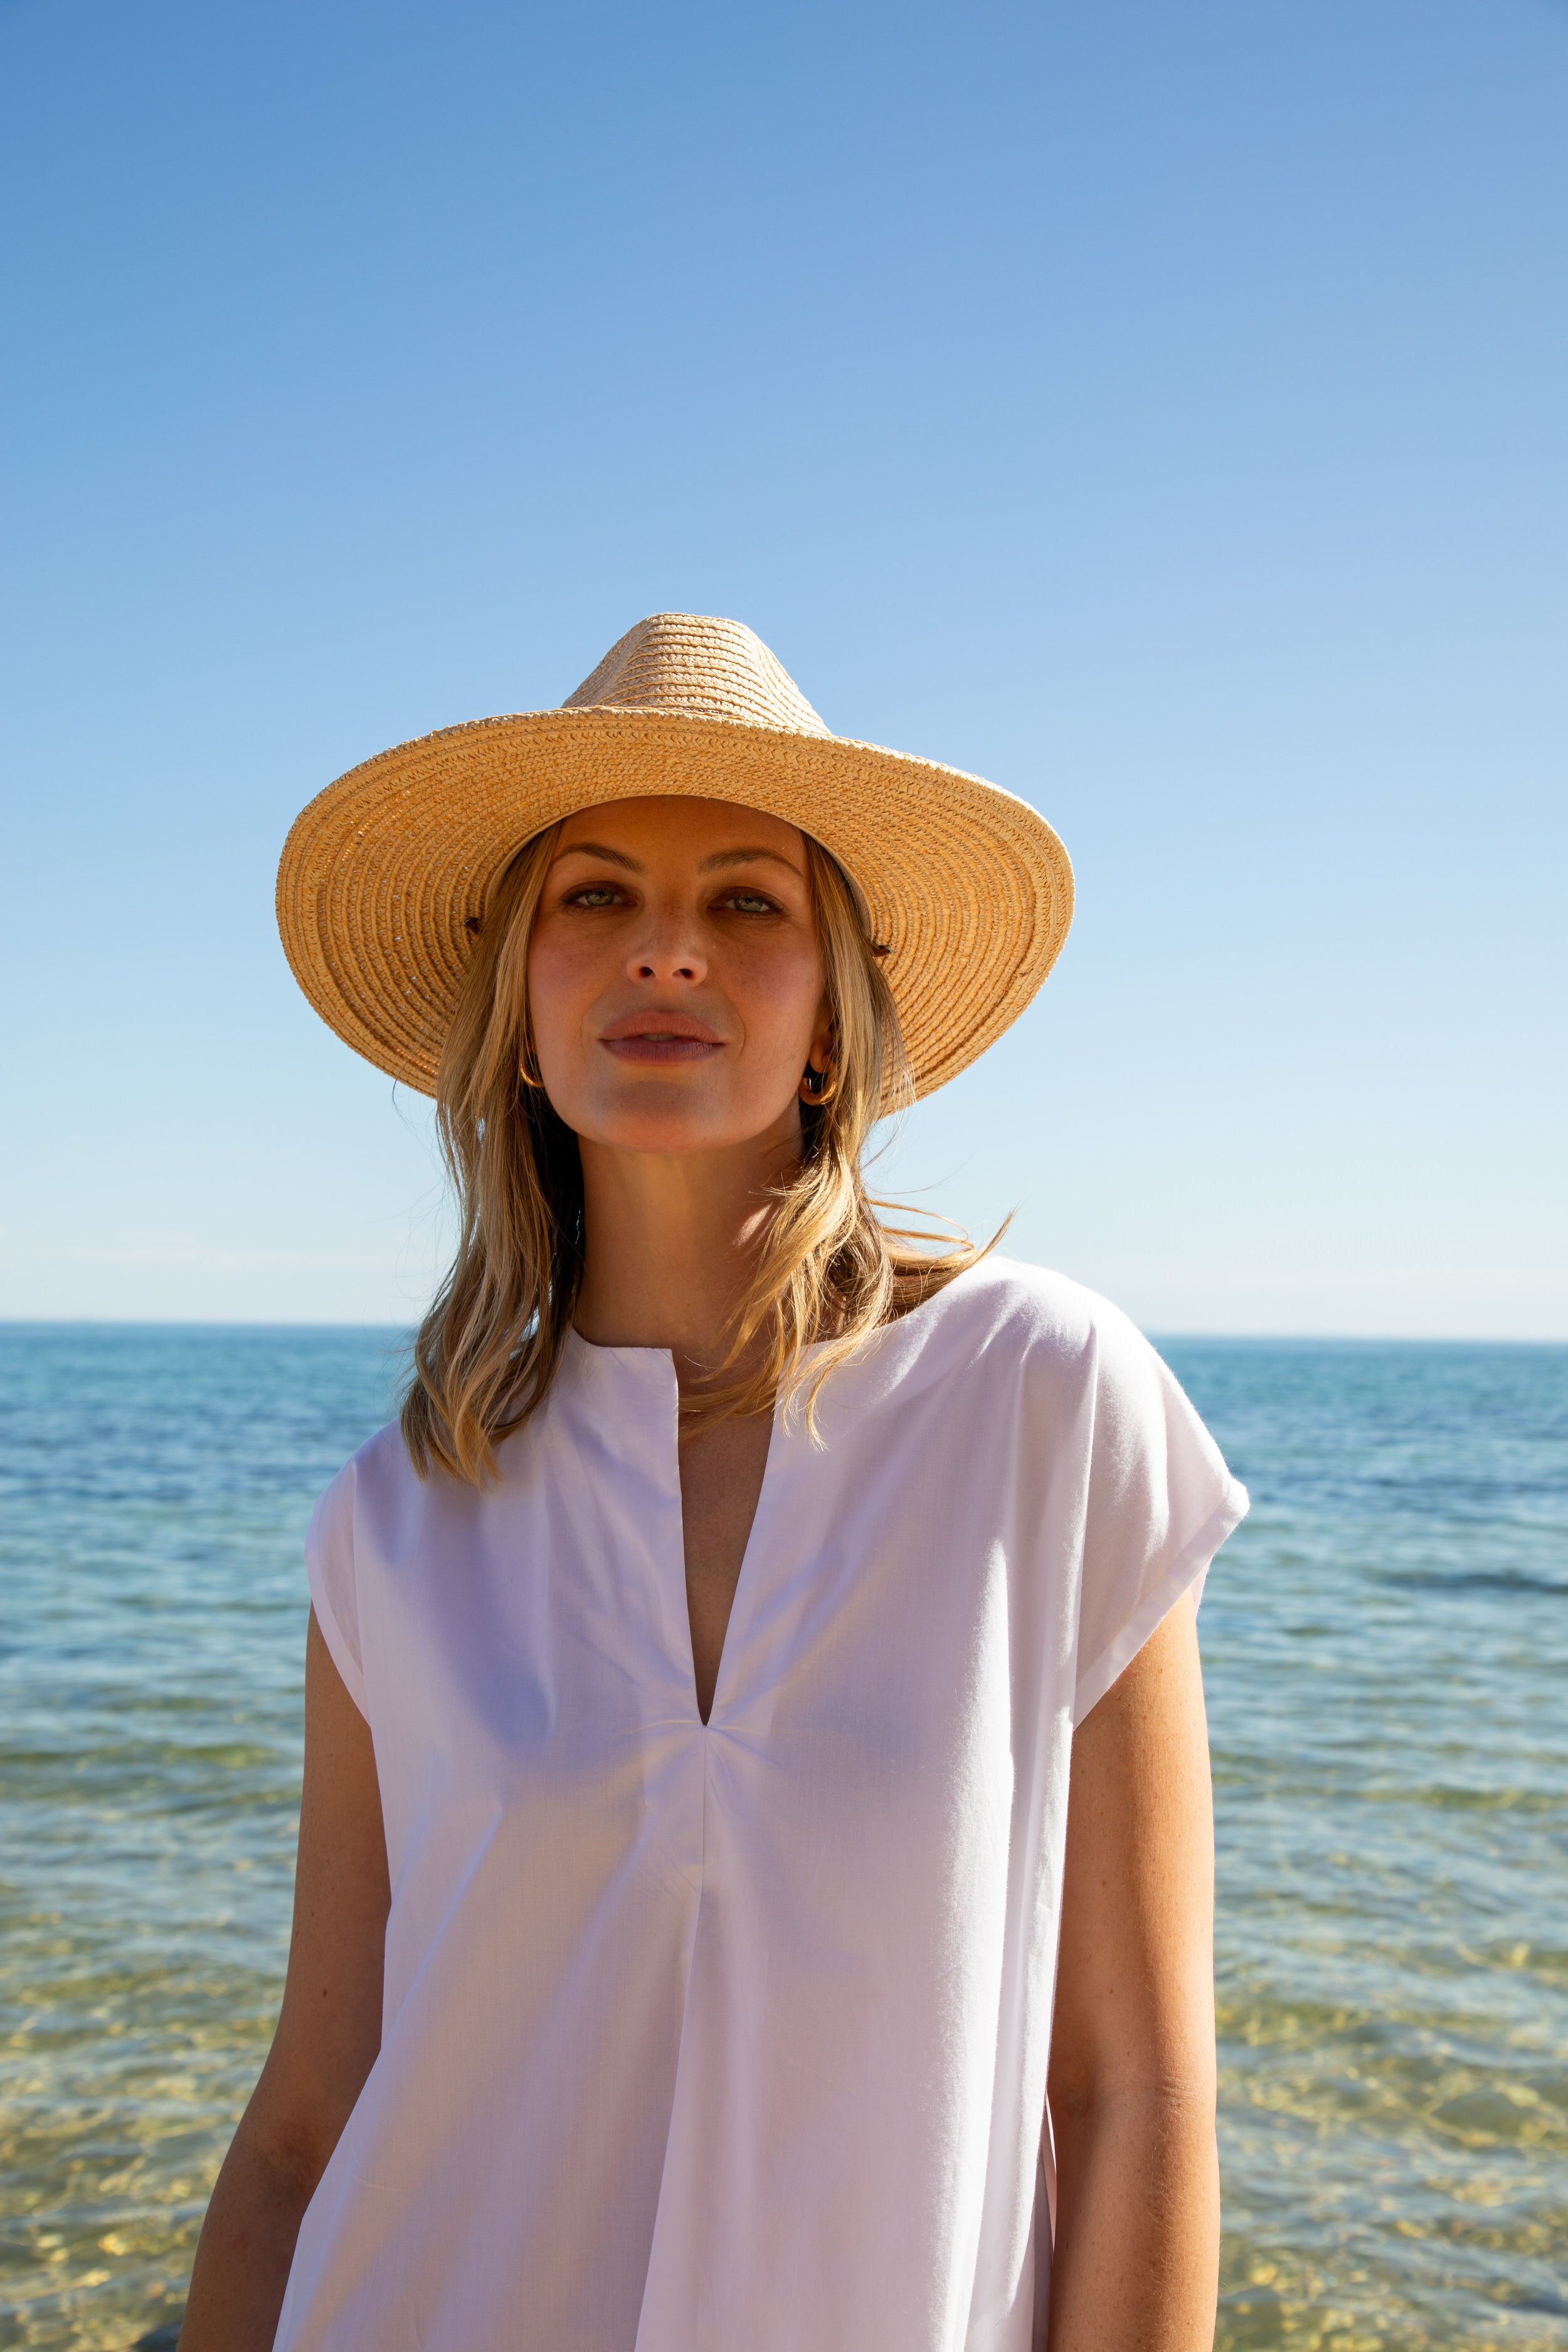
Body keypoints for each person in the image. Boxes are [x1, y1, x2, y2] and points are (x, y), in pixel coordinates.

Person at [180, 613, 1247, 2352]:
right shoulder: (395, 1520)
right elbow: (306, 2123)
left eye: (747, 902)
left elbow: (1136, 2091)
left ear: (830, 1014)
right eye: (592, 896)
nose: (666, 950)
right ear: (520, 1012)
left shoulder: (1042, 1403)